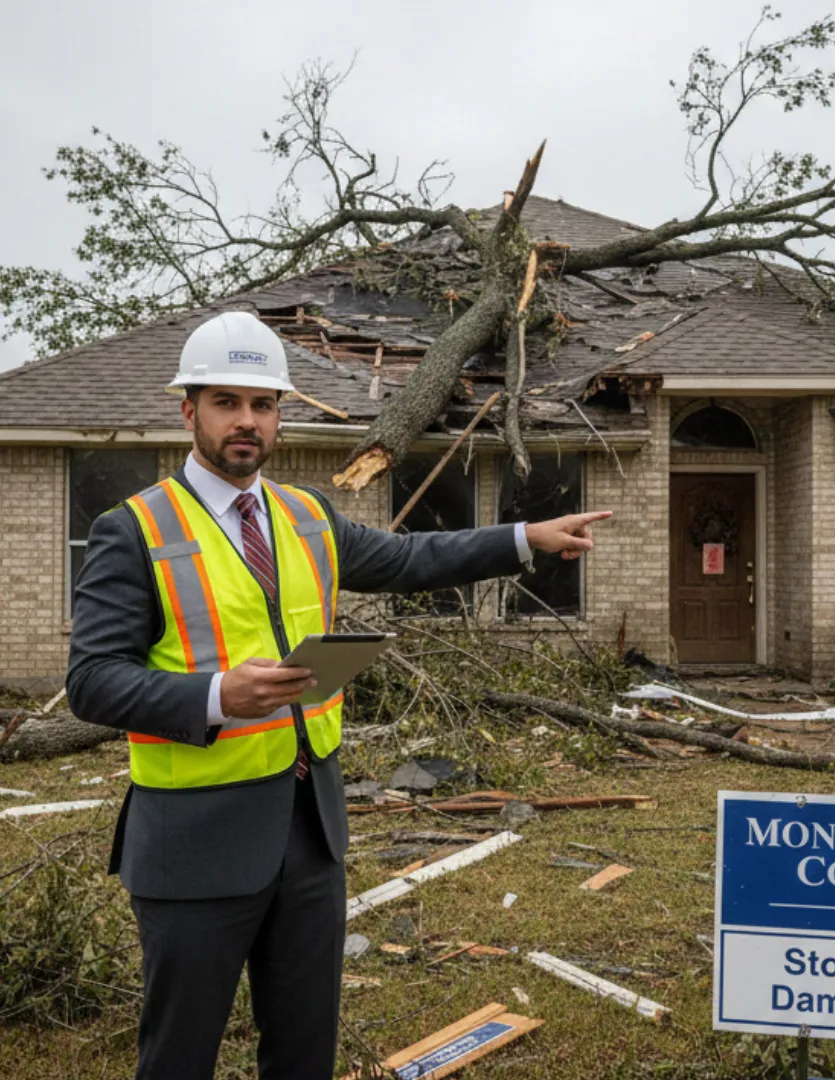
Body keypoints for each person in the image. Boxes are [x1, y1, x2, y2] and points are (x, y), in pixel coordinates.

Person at [67, 311, 612, 1080]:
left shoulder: (306, 516)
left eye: (262, 404)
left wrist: (524, 538)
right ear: (188, 411)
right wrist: (219, 694)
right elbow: (90, 681)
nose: (246, 421)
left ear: (280, 414)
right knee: (179, 1058)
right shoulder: (135, 530)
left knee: (303, 1053)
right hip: (194, 844)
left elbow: (408, 557)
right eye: (226, 402)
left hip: (309, 837)